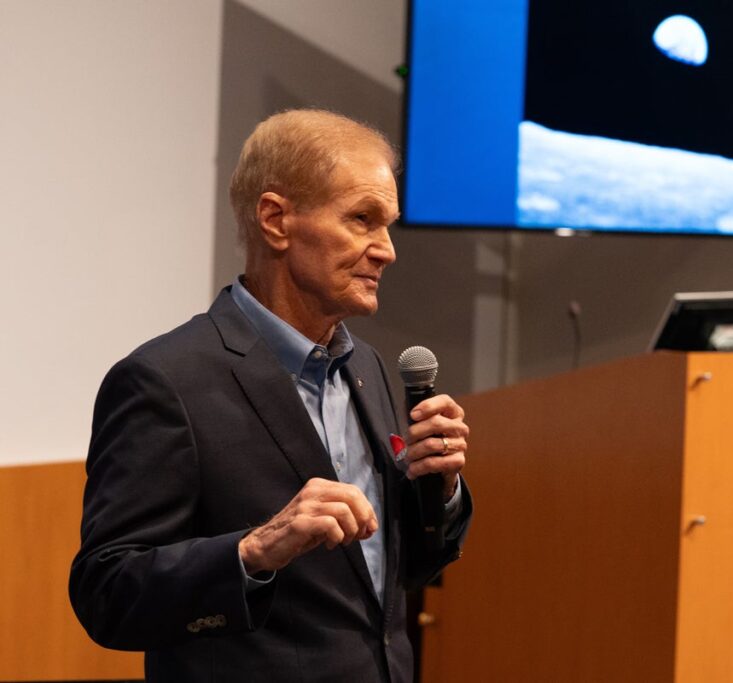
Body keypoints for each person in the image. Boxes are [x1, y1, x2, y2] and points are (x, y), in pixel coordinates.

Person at [69, 109, 472, 683]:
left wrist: (442, 487)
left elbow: (386, 574)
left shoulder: (369, 368)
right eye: (362, 219)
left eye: (388, 225)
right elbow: (106, 593)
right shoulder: (165, 380)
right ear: (276, 220)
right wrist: (255, 551)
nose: (386, 250)